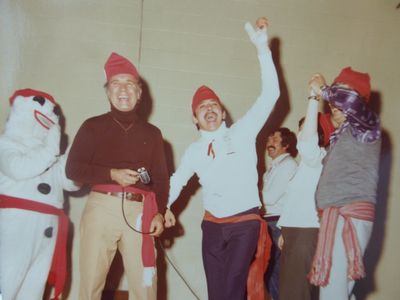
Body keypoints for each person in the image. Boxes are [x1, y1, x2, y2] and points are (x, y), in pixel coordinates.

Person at [164, 18, 279, 300]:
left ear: (223, 112)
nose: (209, 110)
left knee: (232, 287)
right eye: (203, 108)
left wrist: (262, 49)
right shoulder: (194, 151)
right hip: (213, 226)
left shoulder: (243, 132)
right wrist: (163, 207)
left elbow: (270, 94)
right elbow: (177, 180)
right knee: (217, 293)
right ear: (195, 118)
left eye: (214, 105)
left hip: (245, 223)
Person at [66, 52, 169, 300]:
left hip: (140, 213)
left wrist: (160, 212)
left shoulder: (153, 133)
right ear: (108, 91)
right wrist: (111, 174)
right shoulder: (92, 125)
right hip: (101, 208)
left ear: (139, 92)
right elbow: (73, 169)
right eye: (116, 83)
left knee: (146, 286)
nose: (123, 89)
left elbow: (162, 179)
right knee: (90, 283)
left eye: (129, 83)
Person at [307, 68, 381, 300]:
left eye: (344, 93)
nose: (335, 101)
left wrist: (325, 89)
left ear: (359, 101)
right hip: (337, 215)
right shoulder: (342, 136)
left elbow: (350, 103)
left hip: (348, 214)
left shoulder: (367, 127)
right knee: (339, 291)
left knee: (332, 290)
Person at [0, 89, 79, 300]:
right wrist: (51, 148)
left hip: (48, 227)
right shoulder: (6, 144)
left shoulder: (50, 153)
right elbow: (19, 168)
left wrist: (78, 155)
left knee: (33, 290)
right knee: (7, 283)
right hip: (16, 224)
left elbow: (69, 182)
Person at [277, 85, 331, 300]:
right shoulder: (305, 166)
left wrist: (313, 98)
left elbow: (308, 143)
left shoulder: (317, 158)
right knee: (290, 290)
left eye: (305, 129)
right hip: (294, 230)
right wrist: (283, 228)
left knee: (296, 293)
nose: (300, 135)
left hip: (306, 231)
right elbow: (293, 200)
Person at [262, 127, 297, 300]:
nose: (270, 143)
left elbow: (269, 197)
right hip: (269, 223)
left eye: (275, 140)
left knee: (275, 274)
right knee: (269, 274)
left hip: (277, 224)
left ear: (286, 145)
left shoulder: (287, 164)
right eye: (269, 140)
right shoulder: (273, 168)